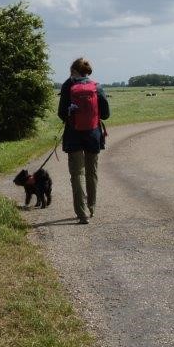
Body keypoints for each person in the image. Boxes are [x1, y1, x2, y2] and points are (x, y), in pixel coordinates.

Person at [58, 57, 110, 225]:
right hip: (93, 134)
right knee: (91, 172)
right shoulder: (96, 87)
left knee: (77, 174)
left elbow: (61, 113)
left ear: (74, 71)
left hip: (73, 135)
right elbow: (106, 114)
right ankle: (92, 207)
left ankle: (82, 214)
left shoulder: (68, 86)